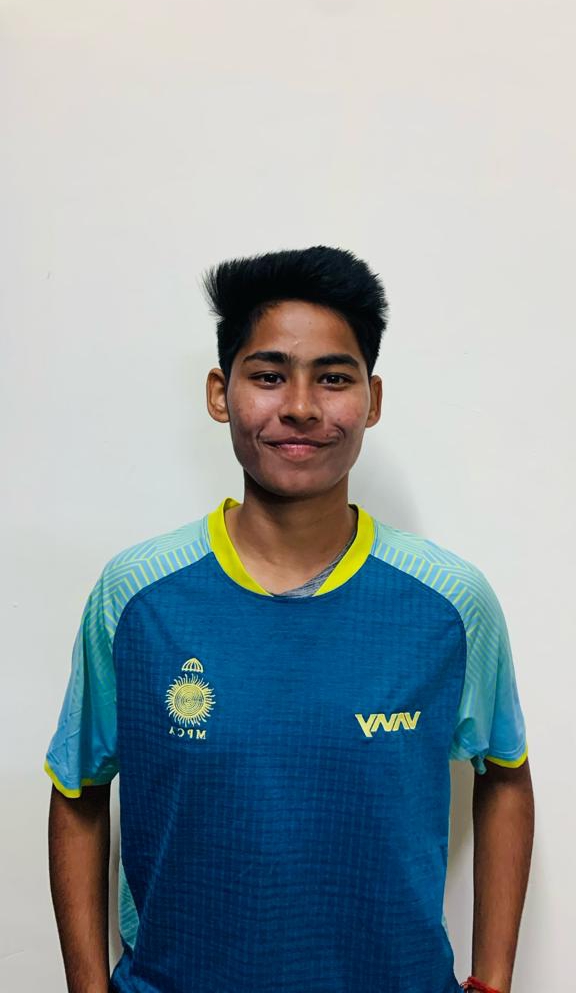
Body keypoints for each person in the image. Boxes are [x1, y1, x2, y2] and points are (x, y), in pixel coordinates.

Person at [45, 245, 534, 993]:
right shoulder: (136, 594)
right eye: (269, 375)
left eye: (333, 378)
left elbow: (504, 775)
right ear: (221, 393)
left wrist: (494, 978)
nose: (301, 406)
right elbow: (78, 790)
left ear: (372, 399)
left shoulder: (451, 601)